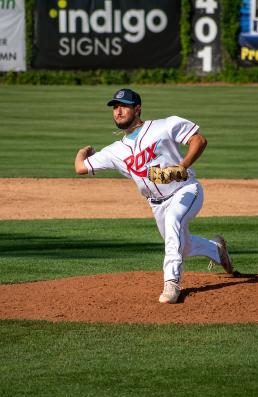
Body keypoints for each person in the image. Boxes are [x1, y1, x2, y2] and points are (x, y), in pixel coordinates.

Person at [74, 88, 233, 304]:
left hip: (186, 190)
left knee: (174, 220)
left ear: (137, 109)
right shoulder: (114, 151)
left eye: (124, 106)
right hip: (156, 204)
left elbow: (199, 140)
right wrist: (84, 151)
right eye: (115, 107)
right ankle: (217, 250)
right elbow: (81, 168)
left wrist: (182, 166)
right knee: (180, 245)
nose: (118, 111)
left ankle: (172, 283)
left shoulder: (163, 126)